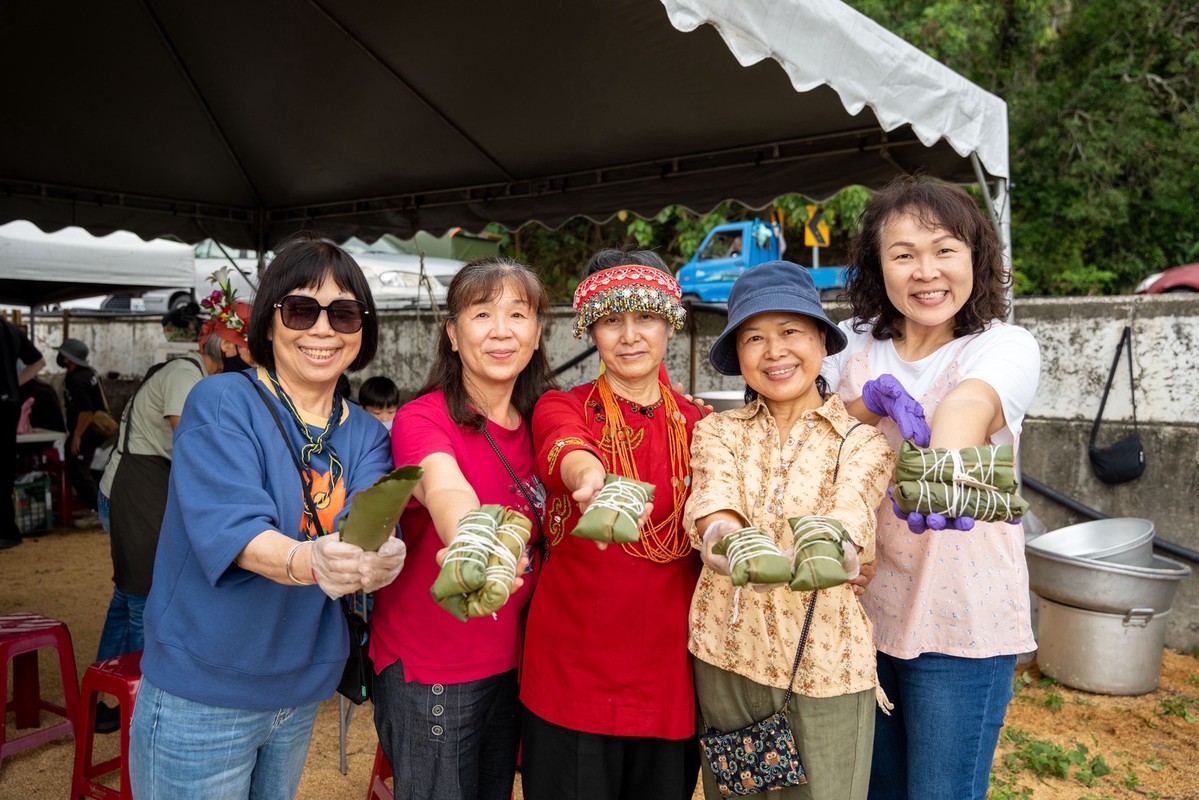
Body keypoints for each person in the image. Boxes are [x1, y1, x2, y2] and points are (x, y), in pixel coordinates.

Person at [129, 235, 407, 799]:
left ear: (363, 328)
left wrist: (384, 556)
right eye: (302, 310)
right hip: (204, 687)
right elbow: (236, 531)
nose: (323, 330)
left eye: (344, 313)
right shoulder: (221, 402)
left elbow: (369, 526)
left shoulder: (366, 434)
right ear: (270, 322)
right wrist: (312, 559)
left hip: (300, 687)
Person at [822, 175, 1041, 800]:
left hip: (961, 621)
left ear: (976, 257)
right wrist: (866, 404)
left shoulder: (1004, 345)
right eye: (904, 254)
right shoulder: (849, 347)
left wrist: (937, 475)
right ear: (877, 266)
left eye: (945, 249)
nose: (926, 272)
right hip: (860, 612)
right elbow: (811, 436)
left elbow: (969, 405)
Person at [684, 261, 894, 800]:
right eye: (754, 337)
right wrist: (724, 542)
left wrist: (836, 551)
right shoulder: (717, 431)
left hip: (825, 666)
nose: (774, 351)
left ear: (822, 341)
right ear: (739, 356)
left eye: (791, 331)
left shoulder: (862, 443)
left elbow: (851, 513)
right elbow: (715, 501)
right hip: (726, 656)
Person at [520, 249, 705, 800]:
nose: (629, 336)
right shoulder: (563, 405)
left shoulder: (701, 425)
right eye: (611, 320)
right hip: (572, 676)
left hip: (669, 680)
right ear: (590, 329)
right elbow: (564, 449)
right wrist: (591, 479)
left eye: (645, 317)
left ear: (669, 324)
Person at [370, 256, 556, 800]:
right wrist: (477, 543)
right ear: (452, 334)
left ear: (537, 333)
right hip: (435, 670)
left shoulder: (542, 422)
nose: (501, 331)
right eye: (481, 314)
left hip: (512, 666)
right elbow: (446, 489)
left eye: (517, 314)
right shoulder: (423, 418)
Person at [91, 299, 247, 734]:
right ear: (226, 348)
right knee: (143, 598)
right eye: (248, 350)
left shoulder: (198, 377)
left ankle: (103, 691)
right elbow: (189, 443)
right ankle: (139, 701)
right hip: (133, 489)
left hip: (144, 488)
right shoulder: (184, 374)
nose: (252, 362)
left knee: (127, 596)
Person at [1, 318, 46, 549]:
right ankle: (8, 531)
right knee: (5, 470)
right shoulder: (10, 329)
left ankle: (7, 531)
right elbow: (39, 362)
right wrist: (13, 385)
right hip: (9, 406)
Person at [56, 338, 106, 527]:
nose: (60, 358)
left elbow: (86, 412)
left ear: (68, 359)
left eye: (63, 355)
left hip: (86, 433)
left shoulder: (77, 380)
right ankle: (97, 508)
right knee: (81, 472)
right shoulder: (88, 373)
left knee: (79, 474)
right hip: (91, 432)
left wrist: (76, 436)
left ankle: (100, 512)